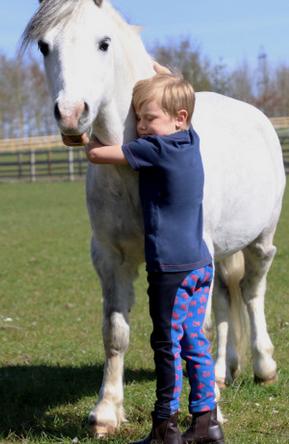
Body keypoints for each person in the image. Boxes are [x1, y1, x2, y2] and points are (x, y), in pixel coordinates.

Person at [80, 72, 225, 444]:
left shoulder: (153, 150)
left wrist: (81, 134)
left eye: (149, 119)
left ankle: (165, 427)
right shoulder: (191, 140)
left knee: (167, 346)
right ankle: (207, 422)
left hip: (171, 271)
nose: (141, 127)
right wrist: (165, 76)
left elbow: (98, 154)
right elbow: (179, 98)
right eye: (138, 119)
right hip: (200, 265)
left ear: (179, 117)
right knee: (194, 340)